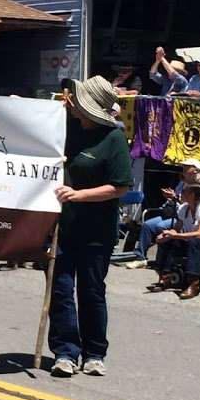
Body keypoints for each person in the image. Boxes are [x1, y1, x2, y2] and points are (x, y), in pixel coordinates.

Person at [50, 76, 133, 378]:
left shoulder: (113, 139)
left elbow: (120, 187)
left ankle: (95, 352)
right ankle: (65, 352)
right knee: (60, 289)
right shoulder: (68, 128)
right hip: (64, 227)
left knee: (91, 291)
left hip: (97, 230)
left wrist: (79, 195)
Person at [125, 159, 200, 269]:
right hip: (172, 212)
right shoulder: (183, 182)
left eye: (187, 167)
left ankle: (163, 260)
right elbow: (179, 198)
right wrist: (171, 197)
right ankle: (140, 257)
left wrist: (174, 197)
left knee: (160, 226)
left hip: (183, 217)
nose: (183, 169)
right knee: (148, 225)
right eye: (184, 166)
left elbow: (193, 204)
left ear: (195, 170)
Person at [154, 182, 200, 300]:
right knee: (167, 241)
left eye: (185, 192)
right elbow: (177, 229)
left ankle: (193, 284)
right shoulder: (184, 208)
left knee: (193, 241)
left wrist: (175, 235)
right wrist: (167, 235)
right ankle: (166, 276)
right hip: (192, 242)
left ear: (193, 195)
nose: (181, 194)